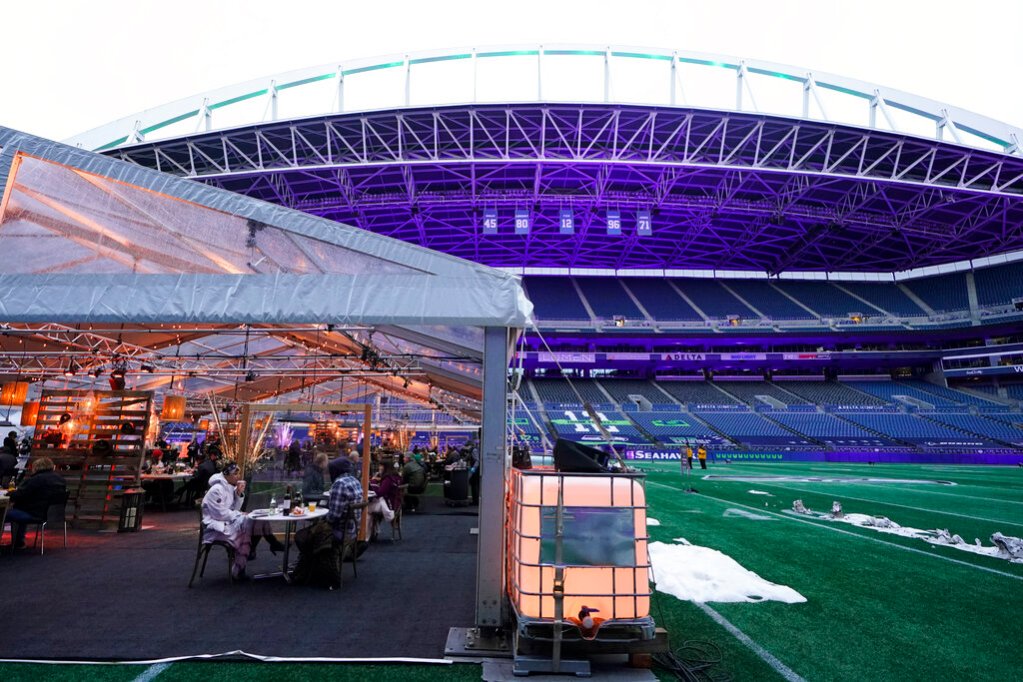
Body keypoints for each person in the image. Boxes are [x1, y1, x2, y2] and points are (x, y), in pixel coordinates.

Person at [201, 462, 283, 580]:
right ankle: (268, 546)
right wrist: (239, 514)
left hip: (226, 522)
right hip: (216, 527)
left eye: (238, 473)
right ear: (226, 475)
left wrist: (238, 494)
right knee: (249, 527)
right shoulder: (217, 489)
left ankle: (266, 546)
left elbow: (233, 509)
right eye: (235, 474)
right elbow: (220, 514)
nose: (238, 476)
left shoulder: (228, 487)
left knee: (258, 520)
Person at [6, 456, 67, 550]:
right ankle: (19, 542)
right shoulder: (60, 480)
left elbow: (20, 494)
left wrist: (10, 493)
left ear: (36, 467)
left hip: (34, 513)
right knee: (20, 509)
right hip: (50, 514)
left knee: (5, 514)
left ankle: (18, 542)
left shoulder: (35, 480)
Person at [326, 457, 363, 544]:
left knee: (304, 535)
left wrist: (322, 518)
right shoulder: (355, 481)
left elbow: (333, 516)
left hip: (342, 531)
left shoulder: (339, 484)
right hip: (354, 529)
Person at [368, 462, 400, 540]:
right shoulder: (395, 476)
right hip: (395, 502)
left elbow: (380, 493)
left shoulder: (387, 479)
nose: (379, 468)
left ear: (385, 467)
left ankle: (368, 534)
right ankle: (373, 531)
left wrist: (373, 482)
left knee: (366, 508)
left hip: (389, 504)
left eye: (380, 466)